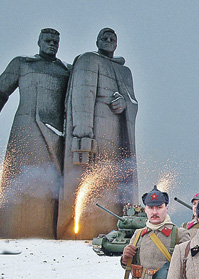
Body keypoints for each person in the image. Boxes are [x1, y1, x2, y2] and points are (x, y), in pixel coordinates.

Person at [0, 28, 70, 238]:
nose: (52, 44)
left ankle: (46, 234)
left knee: (49, 187)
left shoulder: (66, 71)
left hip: (55, 135)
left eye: (56, 41)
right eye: (48, 40)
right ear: (39, 41)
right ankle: (11, 232)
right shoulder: (23, 64)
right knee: (18, 183)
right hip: (25, 130)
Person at [58, 28, 139, 239]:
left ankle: (114, 228)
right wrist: (83, 134)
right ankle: (80, 229)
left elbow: (133, 101)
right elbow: (81, 96)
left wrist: (124, 103)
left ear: (117, 44)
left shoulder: (125, 71)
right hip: (93, 133)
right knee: (88, 180)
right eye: (104, 37)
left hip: (116, 135)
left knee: (113, 182)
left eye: (113, 38)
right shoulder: (88, 60)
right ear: (97, 41)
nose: (108, 41)